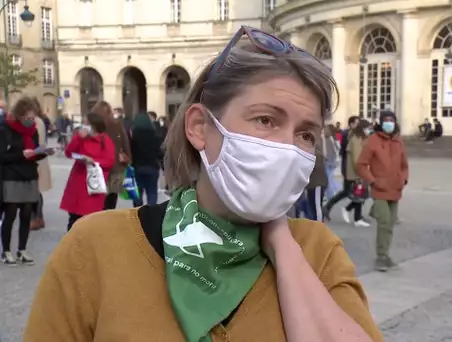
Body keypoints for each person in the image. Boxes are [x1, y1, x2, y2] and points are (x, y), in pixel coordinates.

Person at [24, 26, 381, 342]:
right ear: (199, 128)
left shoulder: (317, 251)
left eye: (306, 134)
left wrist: (283, 246)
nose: (288, 148)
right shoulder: (96, 248)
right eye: (266, 120)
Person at [0, 97, 53, 266]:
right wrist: (21, 154)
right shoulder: (5, 129)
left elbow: (35, 151)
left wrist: (44, 152)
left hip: (29, 174)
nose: (32, 121)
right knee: (10, 214)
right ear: (20, 115)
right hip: (12, 175)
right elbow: (2, 156)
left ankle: (22, 249)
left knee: (26, 214)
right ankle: (6, 251)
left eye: (33, 118)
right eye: (29, 118)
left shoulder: (33, 131)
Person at [356, 110, 408, 271]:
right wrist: (373, 180)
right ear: (380, 122)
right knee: (384, 222)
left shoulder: (398, 141)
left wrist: (403, 179)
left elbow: (404, 164)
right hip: (380, 189)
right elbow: (361, 164)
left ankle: (385, 254)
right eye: (386, 120)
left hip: (395, 188)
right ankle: (381, 257)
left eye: (391, 120)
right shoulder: (373, 140)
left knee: (390, 224)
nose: (389, 123)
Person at [60, 112, 116, 231]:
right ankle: (71, 244)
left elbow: (109, 161)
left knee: (90, 218)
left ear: (94, 126)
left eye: (87, 123)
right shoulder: (80, 137)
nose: (84, 126)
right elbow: (69, 152)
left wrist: (93, 161)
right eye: (83, 123)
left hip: (93, 184)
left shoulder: (105, 140)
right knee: (74, 217)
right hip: (78, 181)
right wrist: (78, 139)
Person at [92, 101, 132, 210]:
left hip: (97, 166)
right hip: (116, 166)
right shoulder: (116, 123)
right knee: (112, 197)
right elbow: (125, 142)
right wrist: (128, 158)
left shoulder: (93, 125)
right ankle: (108, 218)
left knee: (98, 197)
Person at [323, 115, 359, 219]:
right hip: (349, 167)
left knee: (355, 191)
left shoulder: (354, 134)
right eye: (356, 123)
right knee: (349, 191)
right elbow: (343, 151)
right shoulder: (347, 134)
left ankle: (357, 215)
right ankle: (329, 206)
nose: (358, 125)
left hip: (353, 167)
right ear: (351, 123)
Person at [343, 119, 372, 227]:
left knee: (361, 194)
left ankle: (357, 217)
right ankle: (351, 212)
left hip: (361, 170)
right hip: (358, 171)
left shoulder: (362, 138)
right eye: (368, 128)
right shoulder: (356, 139)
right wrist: (361, 171)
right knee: (359, 194)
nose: (369, 130)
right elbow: (357, 158)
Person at [130, 112, 163, 207]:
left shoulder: (133, 136)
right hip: (152, 166)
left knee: (137, 193)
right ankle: (151, 212)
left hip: (137, 167)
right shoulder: (155, 135)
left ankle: (138, 212)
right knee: (152, 192)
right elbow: (160, 152)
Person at [30, 102, 52, 231]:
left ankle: (36, 218)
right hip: (36, 158)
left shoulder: (36, 121)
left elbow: (39, 143)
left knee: (35, 191)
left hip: (36, 159)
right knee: (35, 191)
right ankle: (38, 218)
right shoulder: (36, 120)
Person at [323, 124, 340, 200]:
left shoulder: (328, 139)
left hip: (329, 162)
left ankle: (330, 196)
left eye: (325, 129)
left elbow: (333, 151)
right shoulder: (333, 138)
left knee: (328, 181)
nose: (324, 131)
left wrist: (330, 160)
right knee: (330, 179)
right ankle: (332, 194)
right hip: (332, 161)